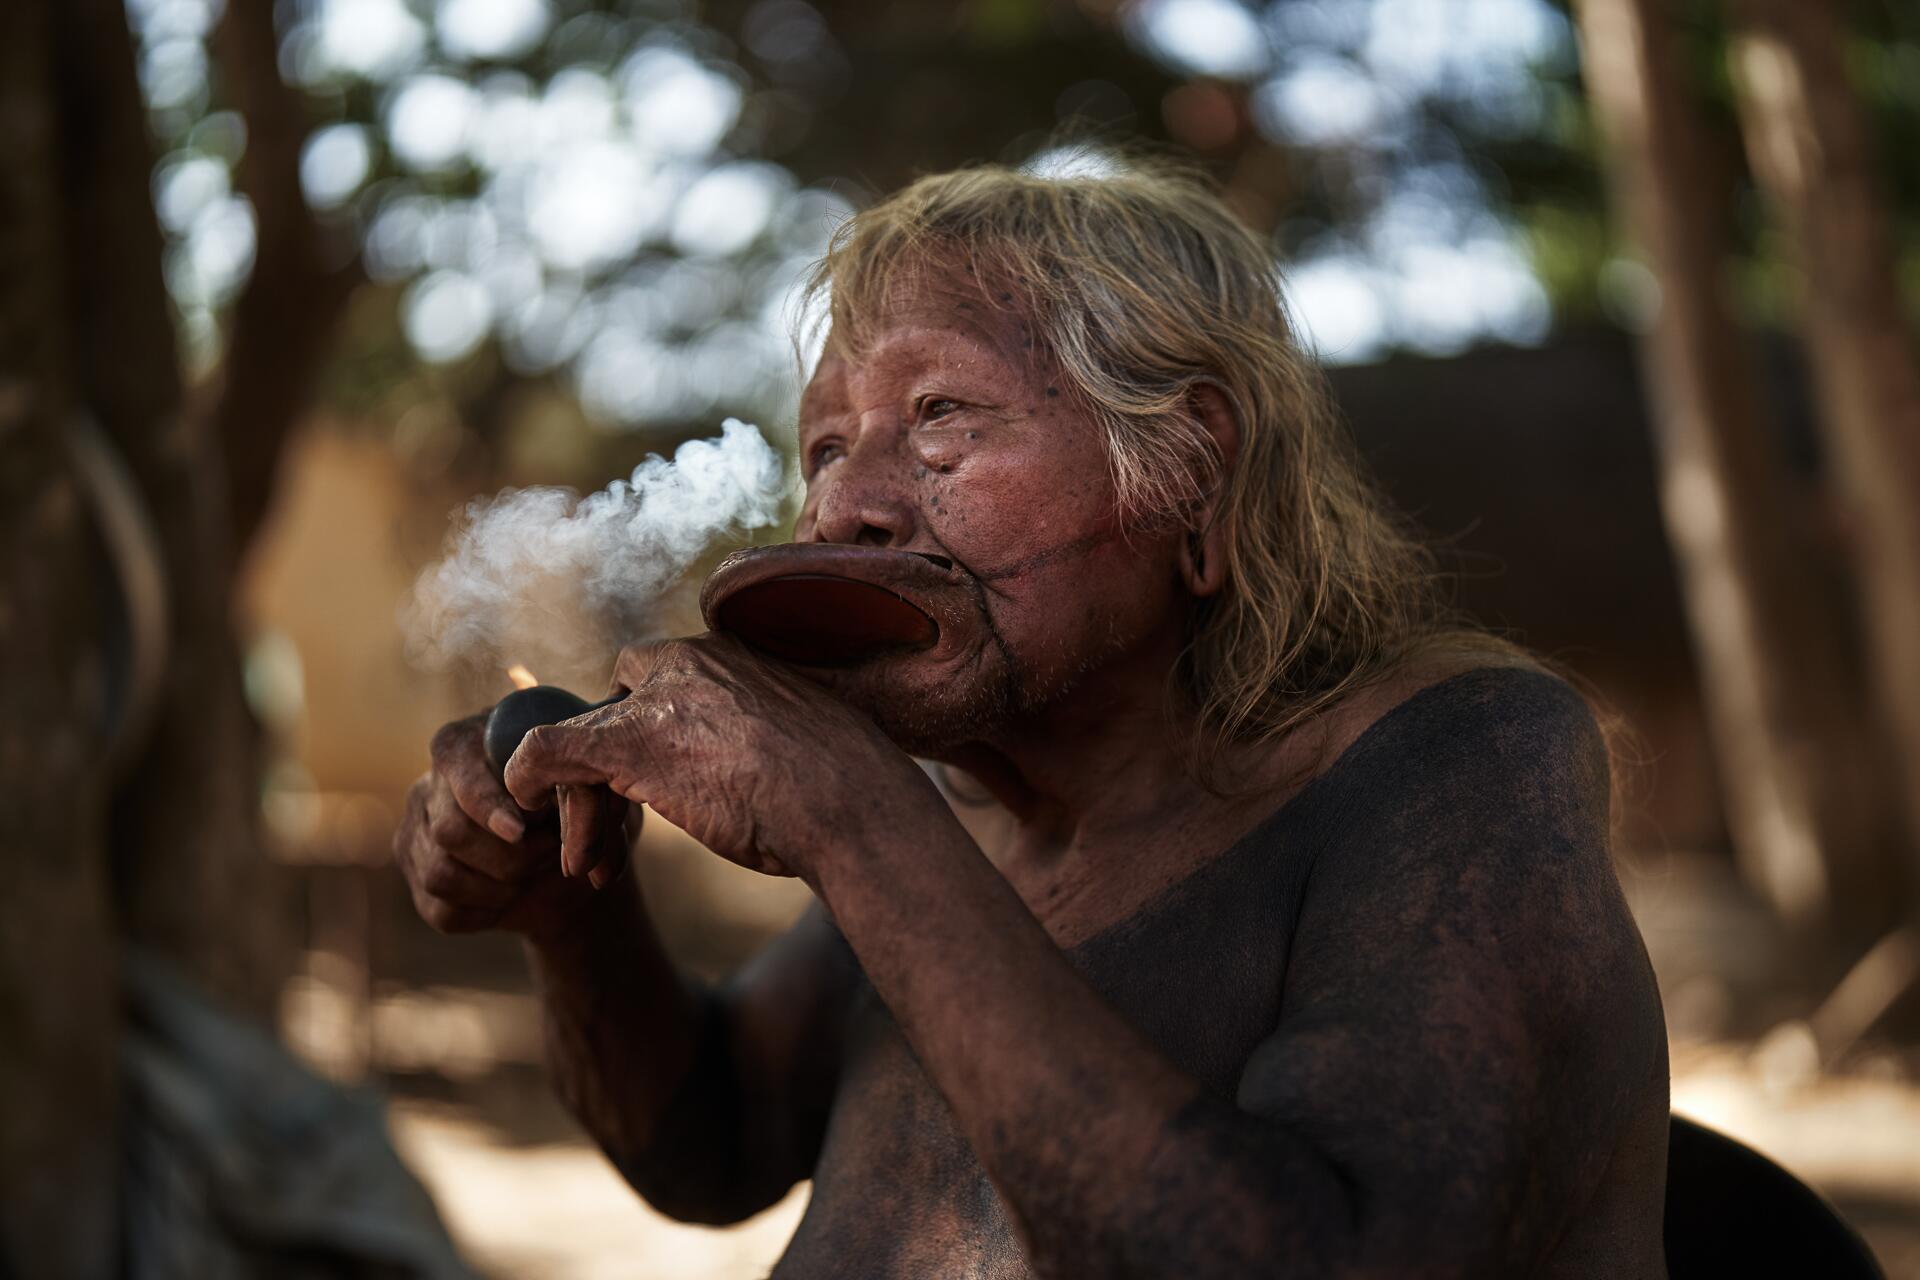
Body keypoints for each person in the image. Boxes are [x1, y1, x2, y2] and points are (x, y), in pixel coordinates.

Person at [394, 161, 1671, 1277]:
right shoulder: (978, 829)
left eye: (942, 415)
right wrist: (573, 916)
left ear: (1189, 465)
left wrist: (848, 811)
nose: (849, 511)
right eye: (827, 447)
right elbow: (716, 1141)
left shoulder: (1462, 757)